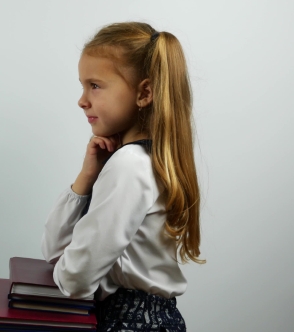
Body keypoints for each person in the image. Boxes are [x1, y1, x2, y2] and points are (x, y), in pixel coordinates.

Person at [41, 22, 204, 332]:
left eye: (95, 85)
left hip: (129, 323)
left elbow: (74, 278)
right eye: (82, 85)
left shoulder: (129, 165)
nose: (82, 100)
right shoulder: (138, 161)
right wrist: (86, 178)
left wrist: (69, 268)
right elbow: (54, 254)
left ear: (144, 93)